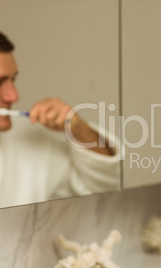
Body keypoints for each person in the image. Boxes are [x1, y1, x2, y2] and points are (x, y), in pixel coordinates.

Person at [0, 31, 119, 207]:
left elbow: (100, 187)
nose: (13, 96)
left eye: (13, 80)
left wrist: (78, 129)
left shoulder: (29, 139)